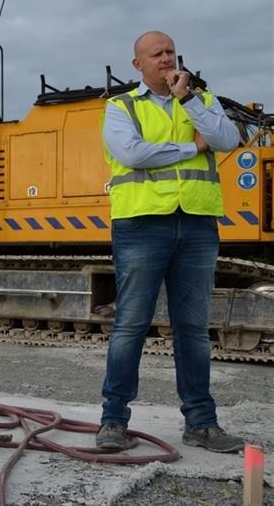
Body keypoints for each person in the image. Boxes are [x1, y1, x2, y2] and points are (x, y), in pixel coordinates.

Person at [97, 31, 244, 454]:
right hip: (143, 224)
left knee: (194, 330)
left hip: (197, 224)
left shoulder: (200, 99)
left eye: (170, 52)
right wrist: (190, 147)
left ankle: (201, 423)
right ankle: (113, 421)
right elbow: (133, 154)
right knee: (130, 326)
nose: (166, 59)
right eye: (156, 54)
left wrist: (189, 101)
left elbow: (227, 140)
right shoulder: (121, 106)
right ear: (137, 64)